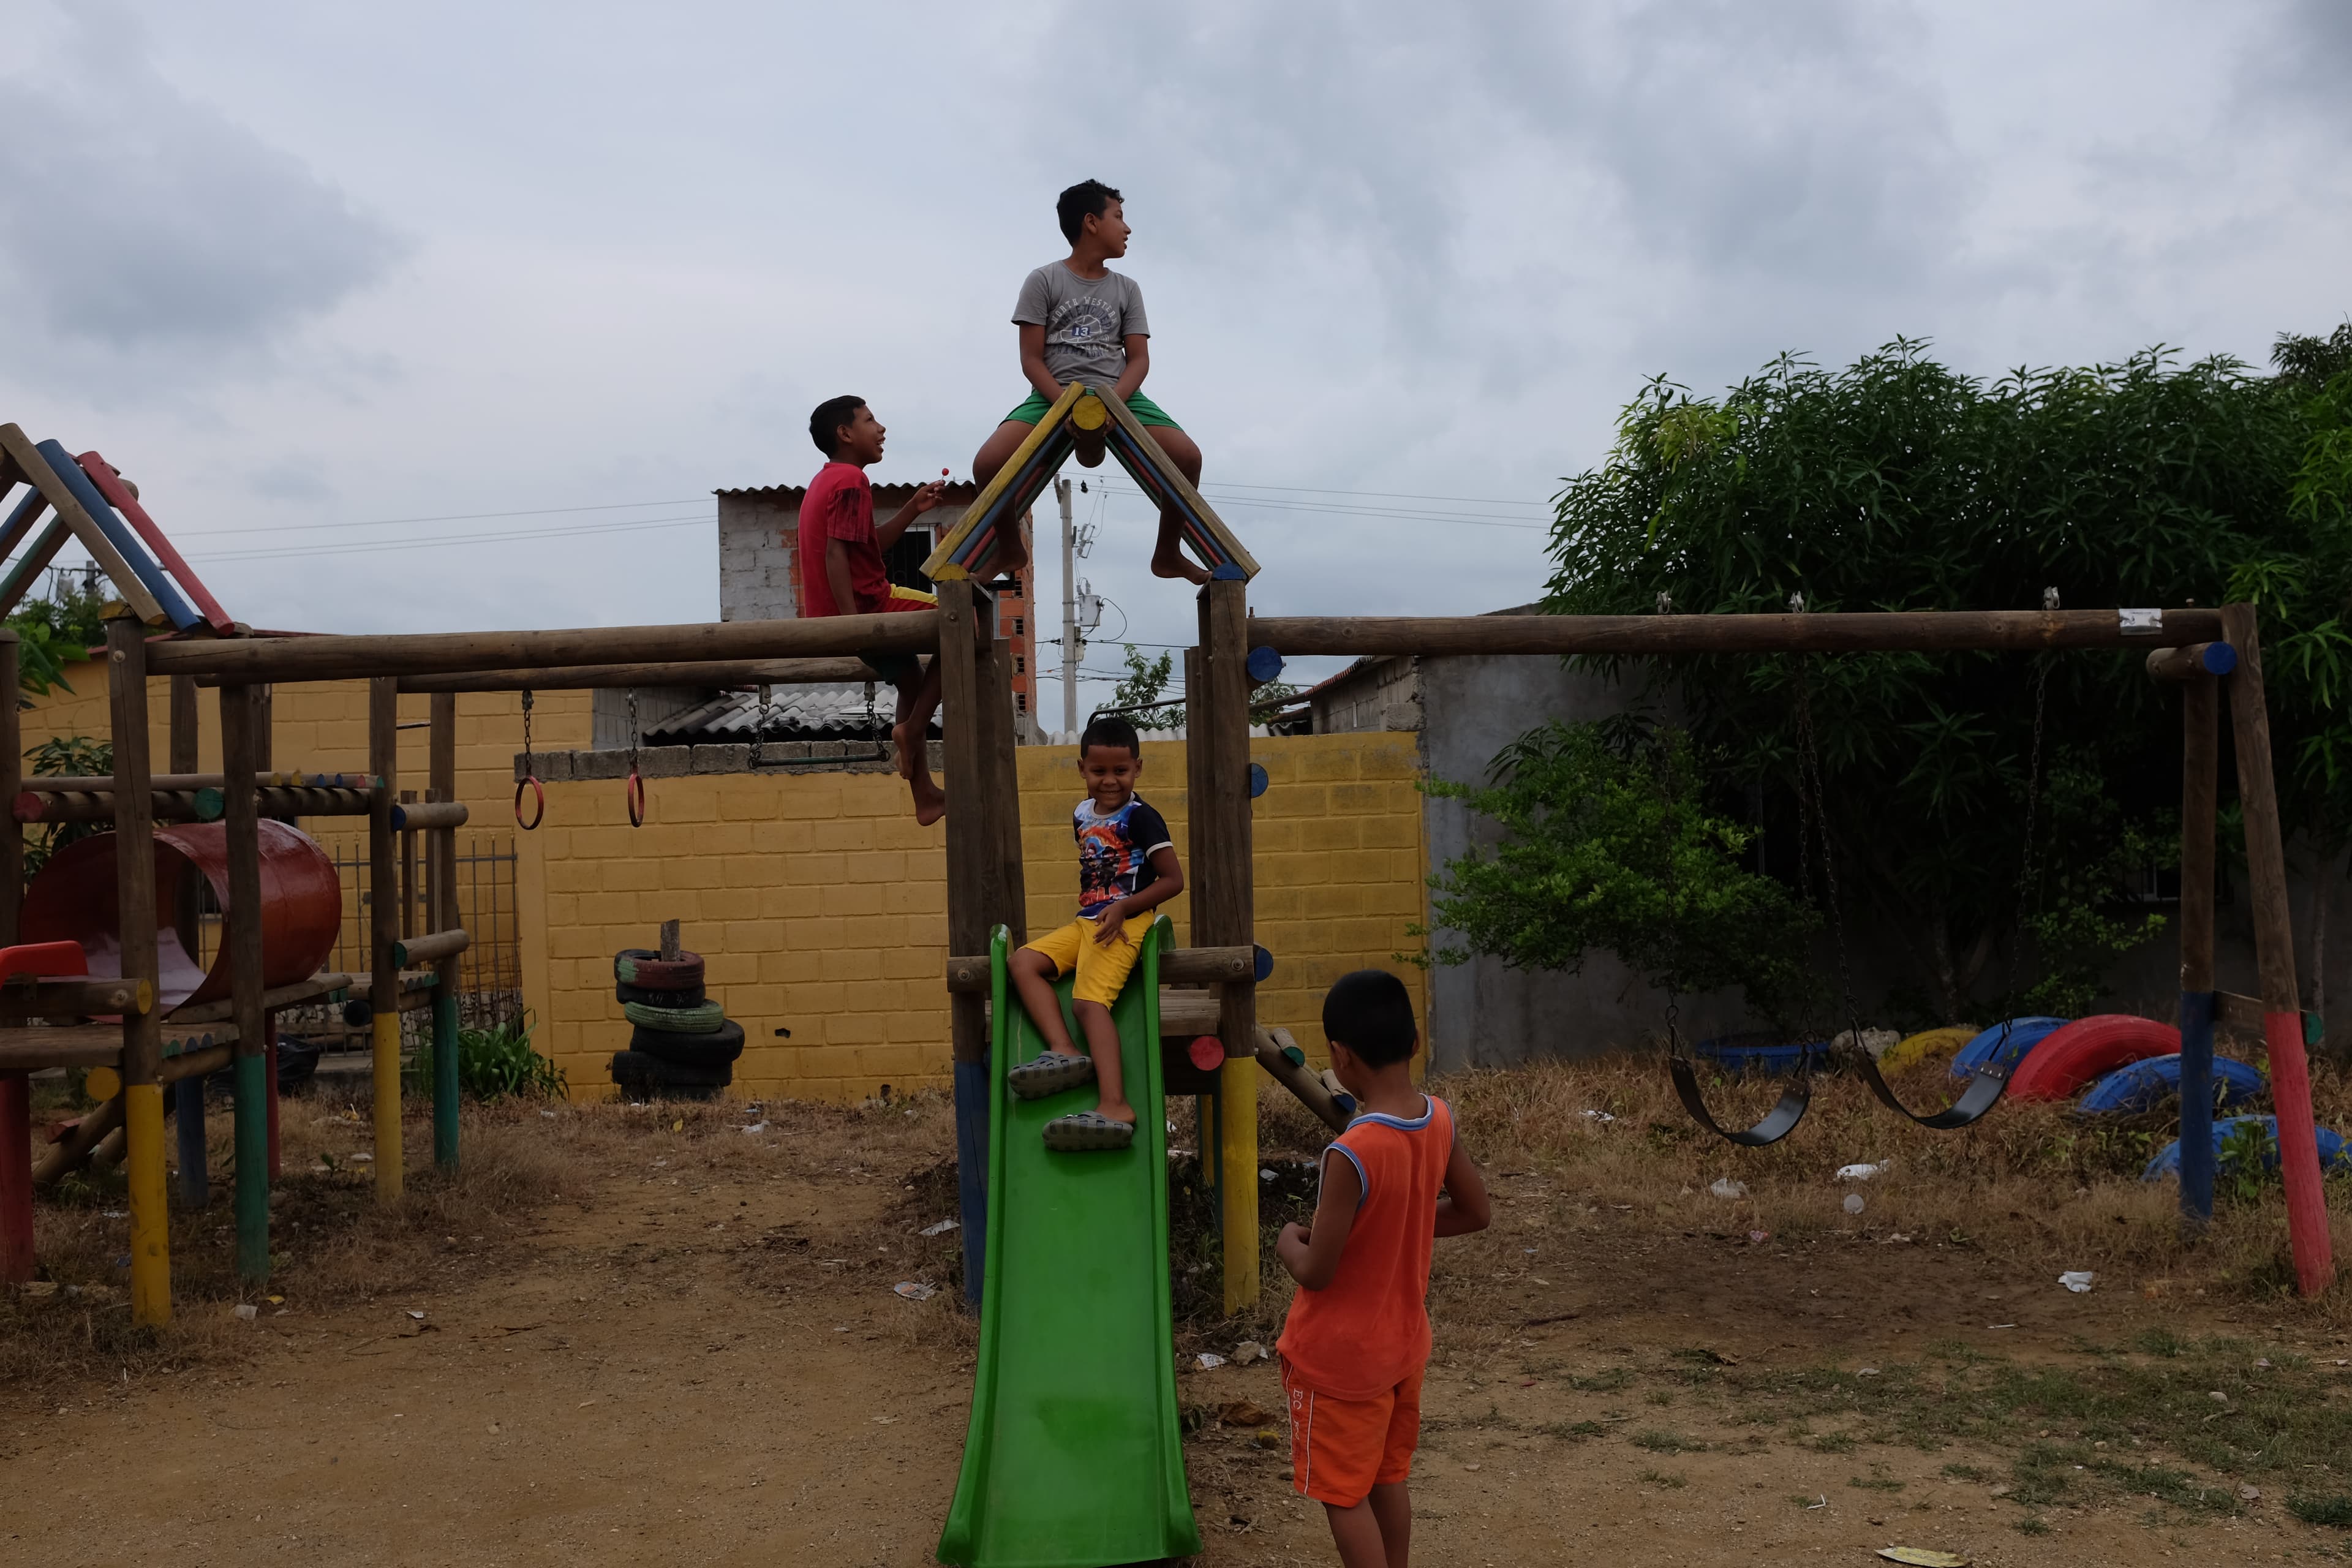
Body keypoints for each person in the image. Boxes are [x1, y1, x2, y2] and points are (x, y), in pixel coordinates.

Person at [1274, 970, 1491, 1568]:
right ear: (1416, 1040)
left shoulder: (1353, 1149)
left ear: (1341, 1058)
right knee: (1386, 1477)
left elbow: (1317, 1269)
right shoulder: (1438, 1119)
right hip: (1402, 1350)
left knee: (1344, 1495)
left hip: (1340, 1361)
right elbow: (1475, 1212)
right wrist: (1405, 1222)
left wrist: (1287, 1241)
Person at [970, 178, 1209, 586]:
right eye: (1118, 217)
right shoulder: (1043, 280)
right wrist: (1066, 405)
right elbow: (1031, 360)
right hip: (1053, 395)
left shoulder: (1126, 288)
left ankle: (1168, 552)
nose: (1127, 227)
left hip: (1118, 394)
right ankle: (1009, 547)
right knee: (988, 465)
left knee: (1188, 458)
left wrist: (1112, 403)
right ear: (1091, 223)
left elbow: (1138, 359)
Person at [1003, 714, 1183, 1151]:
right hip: (1088, 921)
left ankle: (1115, 1103)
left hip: (1127, 921)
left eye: (1120, 771)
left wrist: (1125, 907)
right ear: (1081, 768)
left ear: (1137, 769)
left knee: (1088, 1003)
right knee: (1022, 962)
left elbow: (1173, 880)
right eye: (1099, 771)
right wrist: (1104, 909)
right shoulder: (1081, 814)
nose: (1110, 781)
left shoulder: (1142, 818)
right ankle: (1064, 1049)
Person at [801, 395, 947, 824]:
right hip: (869, 606)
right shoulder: (851, 481)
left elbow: (866, 546)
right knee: (967, 620)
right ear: (845, 434)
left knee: (913, 683)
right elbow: (835, 555)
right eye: (870, 420)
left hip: (844, 611)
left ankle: (926, 796)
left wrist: (912, 509)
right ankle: (913, 729)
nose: (880, 428)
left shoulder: (826, 481)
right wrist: (857, 623)